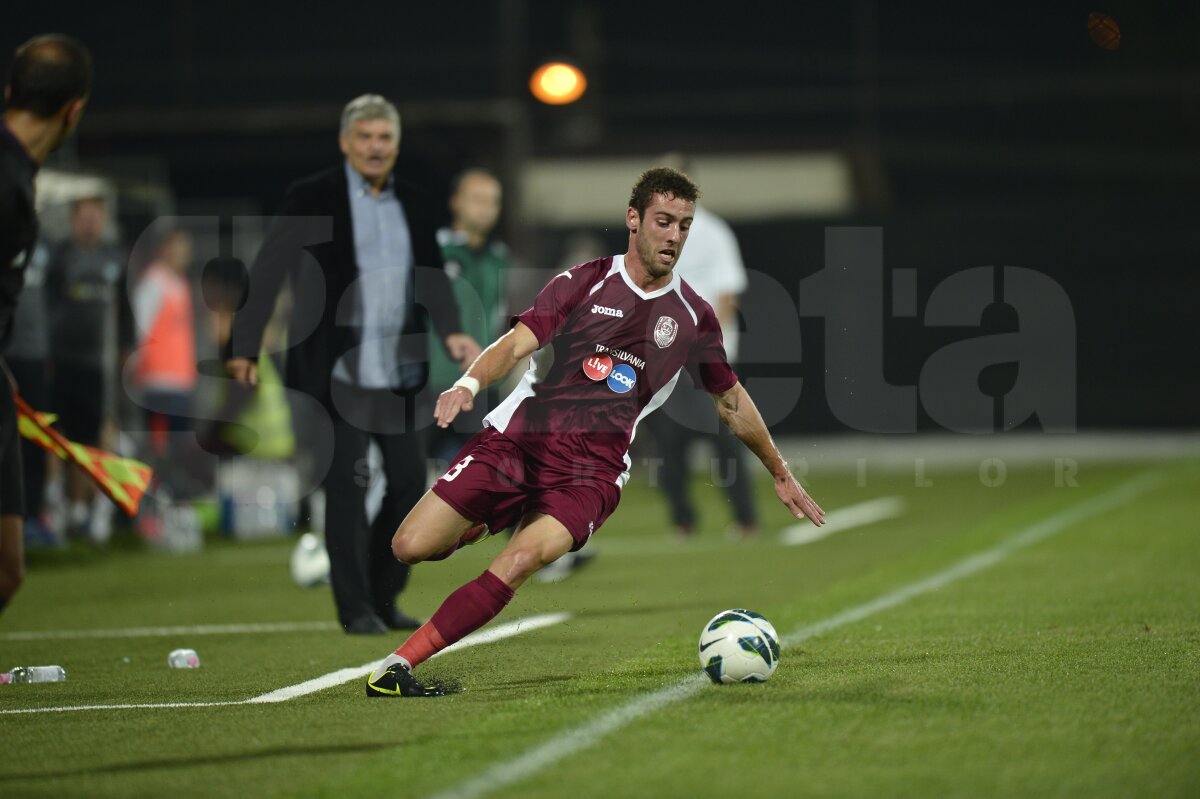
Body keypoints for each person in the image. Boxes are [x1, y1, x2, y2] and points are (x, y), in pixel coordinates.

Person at [365, 167, 825, 697]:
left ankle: (398, 666)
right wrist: (469, 383)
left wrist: (779, 470)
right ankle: (489, 518)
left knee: (519, 561)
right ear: (634, 220)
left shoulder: (693, 316)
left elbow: (730, 399)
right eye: (663, 221)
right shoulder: (582, 282)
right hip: (517, 443)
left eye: (684, 225)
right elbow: (514, 345)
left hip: (590, 473)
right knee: (408, 546)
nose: (674, 236)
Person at [226, 94, 480, 635]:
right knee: (345, 487)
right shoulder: (310, 196)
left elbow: (431, 274)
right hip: (332, 373)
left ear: (396, 144)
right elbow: (269, 270)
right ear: (345, 142)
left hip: (398, 372)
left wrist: (453, 329)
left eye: (384, 138)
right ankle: (355, 608)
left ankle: (383, 595)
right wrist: (244, 345)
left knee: (412, 485)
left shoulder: (415, 201)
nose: (374, 147)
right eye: (364, 137)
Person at [0, 33, 92, 615]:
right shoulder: (8, 181)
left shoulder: (19, 175)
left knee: (7, 570)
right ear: (73, 111)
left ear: (10, 91)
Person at [647, 196, 758, 539]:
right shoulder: (652, 232)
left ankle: (745, 519)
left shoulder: (713, 232)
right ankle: (683, 520)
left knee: (725, 438)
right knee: (670, 442)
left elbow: (728, 291)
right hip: (666, 354)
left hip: (709, 356)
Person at [46, 193, 129, 543]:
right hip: (60, 361)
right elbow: (46, 303)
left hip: (99, 365)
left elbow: (126, 310)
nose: (90, 222)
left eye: (96, 215)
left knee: (96, 434)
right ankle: (57, 504)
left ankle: (91, 509)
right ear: (74, 219)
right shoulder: (60, 256)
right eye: (84, 216)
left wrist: (126, 349)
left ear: (104, 219)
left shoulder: (115, 257)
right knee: (58, 434)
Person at [426, 168, 509, 469]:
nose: (486, 208)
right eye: (477, 199)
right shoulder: (432, 249)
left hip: (481, 381)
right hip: (430, 381)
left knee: (483, 474)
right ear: (456, 202)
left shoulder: (499, 255)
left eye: (492, 201)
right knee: (410, 478)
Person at [130, 228, 197, 496]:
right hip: (157, 379)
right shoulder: (153, 282)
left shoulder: (179, 284)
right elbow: (140, 326)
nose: (183, 254)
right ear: (165, 249)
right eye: (178, 248)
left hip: (180, 380)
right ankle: (155, 497)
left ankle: (172, 494)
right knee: (159, 444)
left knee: (178, 443)